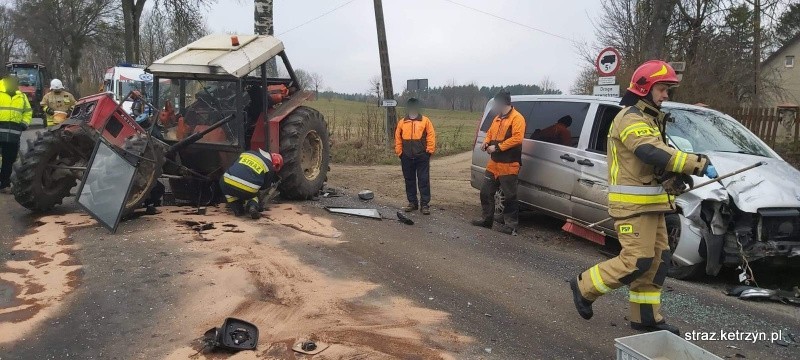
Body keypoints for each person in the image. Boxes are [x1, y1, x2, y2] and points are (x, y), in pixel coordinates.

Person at [569, 60, 718, 334]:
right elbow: (648, 151)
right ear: (644, 88)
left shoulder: (649, 119)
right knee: (637, 261)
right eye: (662, 89)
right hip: (633, 207)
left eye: (667, 90)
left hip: (652, 204)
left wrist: (672, 177)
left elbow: (652, 163)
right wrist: (696, 163)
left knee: (657, 261)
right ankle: (583, 286)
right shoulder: (629, 118)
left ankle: (646, 317)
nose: (665, 96)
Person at [471, 90, 525, 235]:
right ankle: (486, 220)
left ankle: (511, 225)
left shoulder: (517, 118)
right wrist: (486, 143)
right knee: (485, 192)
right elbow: (490, 132)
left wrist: (498, 147)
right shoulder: (497, 118)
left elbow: (517, 138)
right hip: (494, 163)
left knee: (510, 196)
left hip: (509, 164)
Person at [394, 98, 436, 215]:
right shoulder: (402, 122)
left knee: (423, 180)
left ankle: (425, 204)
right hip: (406, 156)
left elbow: (431, 136)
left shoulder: (425, 121)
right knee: (409, 180)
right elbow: (398, 138)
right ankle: (412, 203)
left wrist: (429, 152)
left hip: (422, 156)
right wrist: (400, 153)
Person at [220, 149, 283, 219]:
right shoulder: (269, 167)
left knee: (229, 193)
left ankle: (238, 210)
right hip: (247, 188)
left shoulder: (247, 153)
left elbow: (233, 164)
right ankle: (252, 207)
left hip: (226, 181)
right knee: (255, 193)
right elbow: (265, 187)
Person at [0, 75, 32, 193]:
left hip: (13, 134)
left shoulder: (22, 96)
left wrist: (24, 124)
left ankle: (4, 184)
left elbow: (27, 112)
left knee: (9, 159)